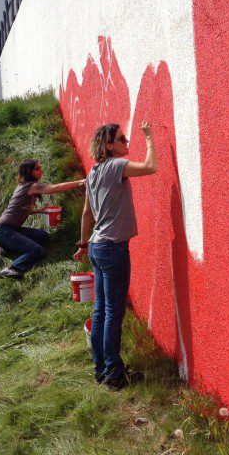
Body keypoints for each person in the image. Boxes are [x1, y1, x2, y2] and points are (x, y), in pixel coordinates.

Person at [74, 121, 157, 390]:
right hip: (112, 248)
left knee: (100, 311)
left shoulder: (94, 173)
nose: (126, 142)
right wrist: (149, 139)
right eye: (122, 139)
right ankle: (114, 373)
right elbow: (150, 167)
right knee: (112, 312)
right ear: (108, 145)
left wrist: (83, 244)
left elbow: (87, 213)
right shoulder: (116, 166)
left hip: (98, 247)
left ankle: (101, 369)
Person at [0, 159, 84, 280]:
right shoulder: (31, 186)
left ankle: (7, 247)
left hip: (11, 229)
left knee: (42, 236)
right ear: (29, 172)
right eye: (37, 169)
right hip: (4, 230)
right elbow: (56, 188)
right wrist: (81, 182)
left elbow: (24, 210)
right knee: (37, 250)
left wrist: (41, 210)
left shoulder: (24, 186)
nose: (40, 170)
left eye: (40, 167)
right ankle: (13, 269)